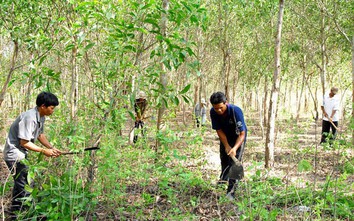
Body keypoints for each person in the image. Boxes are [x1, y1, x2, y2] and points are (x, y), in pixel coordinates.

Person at [3, 92, 62, 216]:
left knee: (20, 184)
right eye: (51, 108)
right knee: (26, 186)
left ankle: (15, 214)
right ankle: (31, 215)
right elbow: (24, 142)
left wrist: (52, 148)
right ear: (43, 106)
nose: (53, 111)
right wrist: (44, 151)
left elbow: (40, 135)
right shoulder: (29, 117)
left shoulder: (41, 116)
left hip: (21, 153)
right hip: (14, 154)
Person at [209, 92, 247, 200]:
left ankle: (231, 191)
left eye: (221, 107)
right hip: (225, 136)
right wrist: (226, 146)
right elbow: (219, 130)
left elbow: (242, 133)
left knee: (234, 163)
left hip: (238, 137)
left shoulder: (236, 111)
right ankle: (223, 180)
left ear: (226, 103)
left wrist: (234, 148)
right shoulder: (213, 112)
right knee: (224, 158)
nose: (219, 111)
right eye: (216, 108)